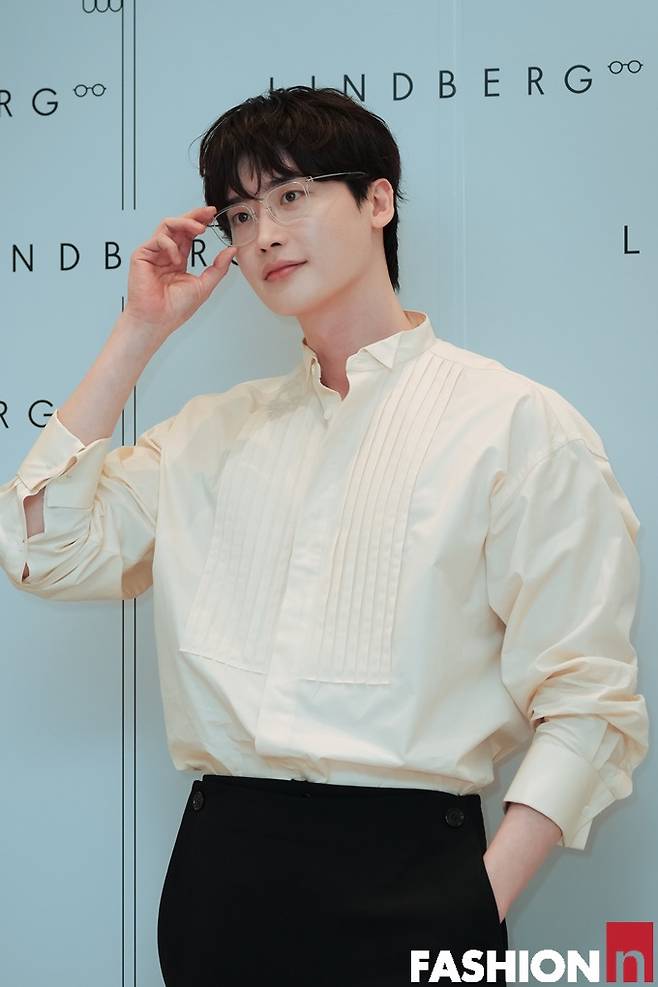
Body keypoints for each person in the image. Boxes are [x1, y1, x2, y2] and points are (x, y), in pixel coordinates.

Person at [0, 86, 649, 986]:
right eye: (240, 212)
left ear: (378, 201)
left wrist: (474, 904)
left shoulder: (514, 425)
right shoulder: (207, 434)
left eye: (292, 195)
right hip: (222, 878)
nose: (263, 232)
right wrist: (138, 332)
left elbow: (587, 701)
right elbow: (44, 550)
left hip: (420, 872)